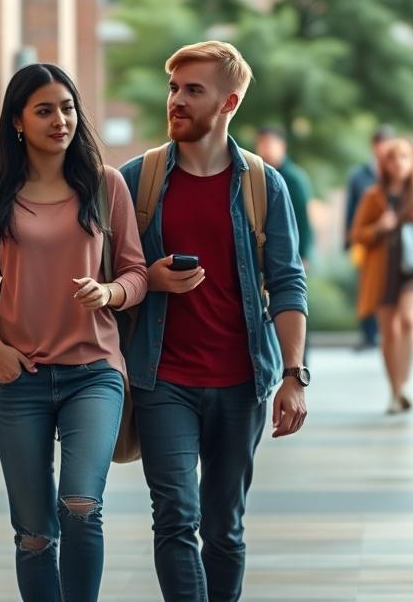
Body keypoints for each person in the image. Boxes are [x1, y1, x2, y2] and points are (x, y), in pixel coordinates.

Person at [120, 40, 309, 602]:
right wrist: (147, 280)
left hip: (241, 380)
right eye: (174, 88)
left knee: (224, 528)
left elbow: (289, 284)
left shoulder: (262, 185)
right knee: (176, 518)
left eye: (192, 91)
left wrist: (295, 375)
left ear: (228, 103)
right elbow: (110, 277)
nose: (176, 100)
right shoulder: (137, 181)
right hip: (163, 379)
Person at [0, 63, 148, 602]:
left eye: (67, 108)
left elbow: (137, 273)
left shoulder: (104, 185)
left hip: (93, 372)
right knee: (34, 533)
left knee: (81, 505)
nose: (60, 120)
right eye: (44, 110)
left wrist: (109, 293)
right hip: (18, 377)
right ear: (18, 121)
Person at [350, 137, 413, 413]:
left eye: (404, 157)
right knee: (389, 332)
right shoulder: (374, 196)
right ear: (384, 164)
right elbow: (357, 233)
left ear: (411, 160)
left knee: (407, 319)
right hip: (383, 271)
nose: (398, 163)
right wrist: (380, 227)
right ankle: (396, 392)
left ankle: (403, 383)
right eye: (392, 158)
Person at [345, 125, 395, 351]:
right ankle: (367, 334)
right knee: (365, 284)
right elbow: (351, 209)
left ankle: (384, 332)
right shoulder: (359, 176)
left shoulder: (398, 173)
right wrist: (348, 239)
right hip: (366, 238)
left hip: (392, 243)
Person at [254, 126, 313, 263]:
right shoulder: (256, 175)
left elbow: (304, 220)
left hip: (289, 253)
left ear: (282, 146)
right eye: (260, 144)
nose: (264, 149)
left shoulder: (294, 179)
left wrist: (303, 255)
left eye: (268, 144)